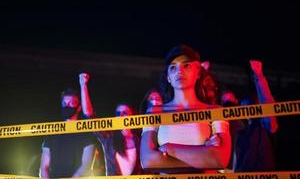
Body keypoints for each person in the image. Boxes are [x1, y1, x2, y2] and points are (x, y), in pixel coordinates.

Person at [140, 45, 231, 174]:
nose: (179, 71)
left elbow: (221, 159)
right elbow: (147, 161)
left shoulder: (215, 111)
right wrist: (204, 155)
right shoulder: (155, 112)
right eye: (173, 67)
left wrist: (169, 149)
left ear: (198, 71)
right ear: (168, 77)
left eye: (186, 65)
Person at [79, 73, 142, 176]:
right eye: (118, 113)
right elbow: (89, 117)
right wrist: (83, 85)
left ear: (132, 116)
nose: (121, 115)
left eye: (125, 113)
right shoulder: (110, 137)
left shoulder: (140, 138)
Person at [231, 60, 278, 172]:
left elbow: (267, 105)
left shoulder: (264, 127)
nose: (244, 110)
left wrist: (259, 76)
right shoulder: (240, 132)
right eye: (242, 107)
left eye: (248, 106)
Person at [40, 88, 96, 178]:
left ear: (79, 107)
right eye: (64, 103)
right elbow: (44, 168)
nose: (67, 106)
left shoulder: (86, 133)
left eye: (71, 103)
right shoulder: (52, 132)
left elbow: (86, 165)